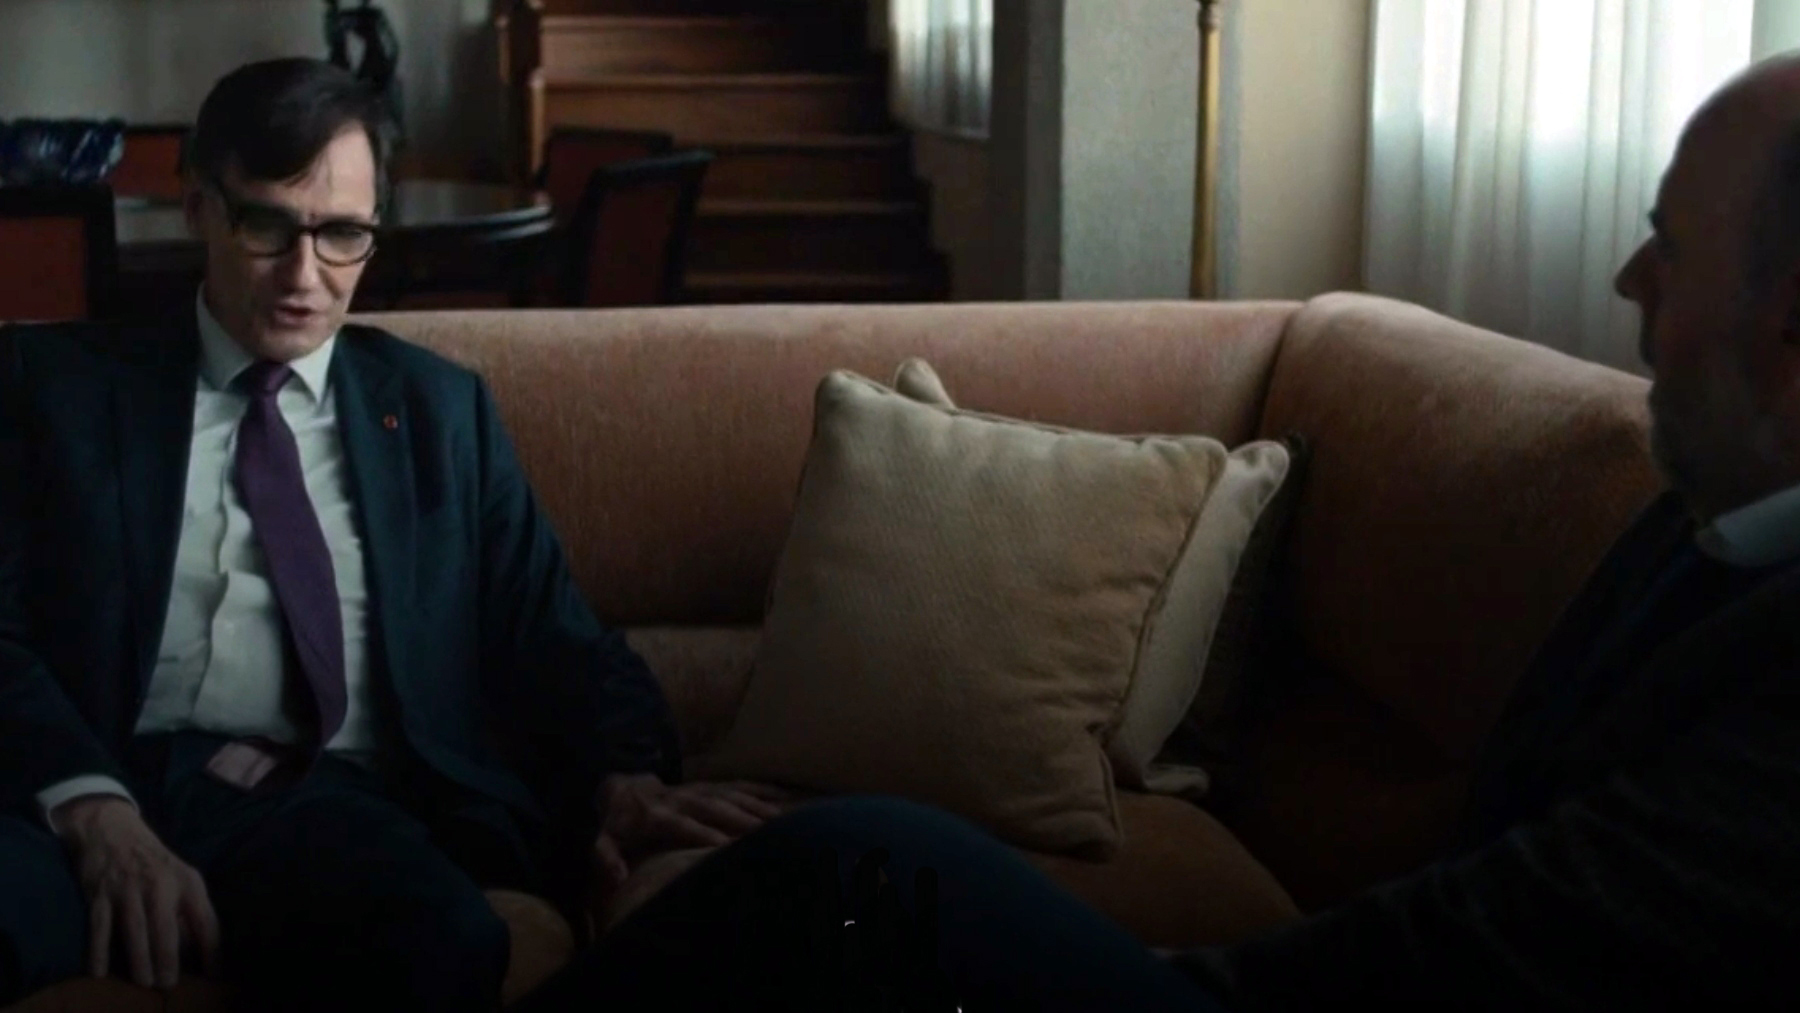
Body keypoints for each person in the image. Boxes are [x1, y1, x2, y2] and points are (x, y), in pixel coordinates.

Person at [517, 47, 1800, 1012]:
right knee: (848, 881)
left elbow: (1504, 944)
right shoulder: (1702, 517)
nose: (1628, 281)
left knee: (861, 871)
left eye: (1670, 247)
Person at [0, 57, 800, 1011]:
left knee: (445, 942)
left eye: (342, 234)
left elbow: (550, 632)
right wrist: (91, 805)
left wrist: (623, 777)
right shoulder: (54, 387)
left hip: (313, 802)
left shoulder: (438, 413)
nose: (305, 276)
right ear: (200, 209)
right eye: (267, 226)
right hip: (91, 780)